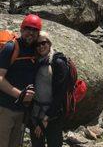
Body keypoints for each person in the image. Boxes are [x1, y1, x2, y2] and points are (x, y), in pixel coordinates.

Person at [0, 14, 41, 147]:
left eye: (34, 30)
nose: (31, 32)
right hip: (5, 107)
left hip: (22, 110)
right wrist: (20, 94)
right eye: (28, 28)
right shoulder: (11, 47)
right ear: (22, 29)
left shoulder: (37, 50)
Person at [30, 31, 69, 147]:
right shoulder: (36, 61)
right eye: (37, 44)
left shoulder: (58, 63)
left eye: (43, 43)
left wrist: (46, 119)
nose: (40, 47)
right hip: (36, 114)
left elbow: (60, 94)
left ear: (49, 43)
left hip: (53, 116)